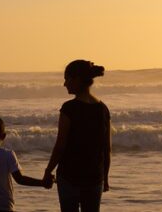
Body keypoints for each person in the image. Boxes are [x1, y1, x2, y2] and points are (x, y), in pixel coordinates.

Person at [43, 60, 111, 212]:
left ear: (77, 79)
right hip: (94, 178)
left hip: (69, 177)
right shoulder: (103, 109)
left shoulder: (69, 108)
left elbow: (60, 145)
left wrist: (48, 171)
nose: (65, 84)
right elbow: (107, 148)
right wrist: (105, 178)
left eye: (67, 79)